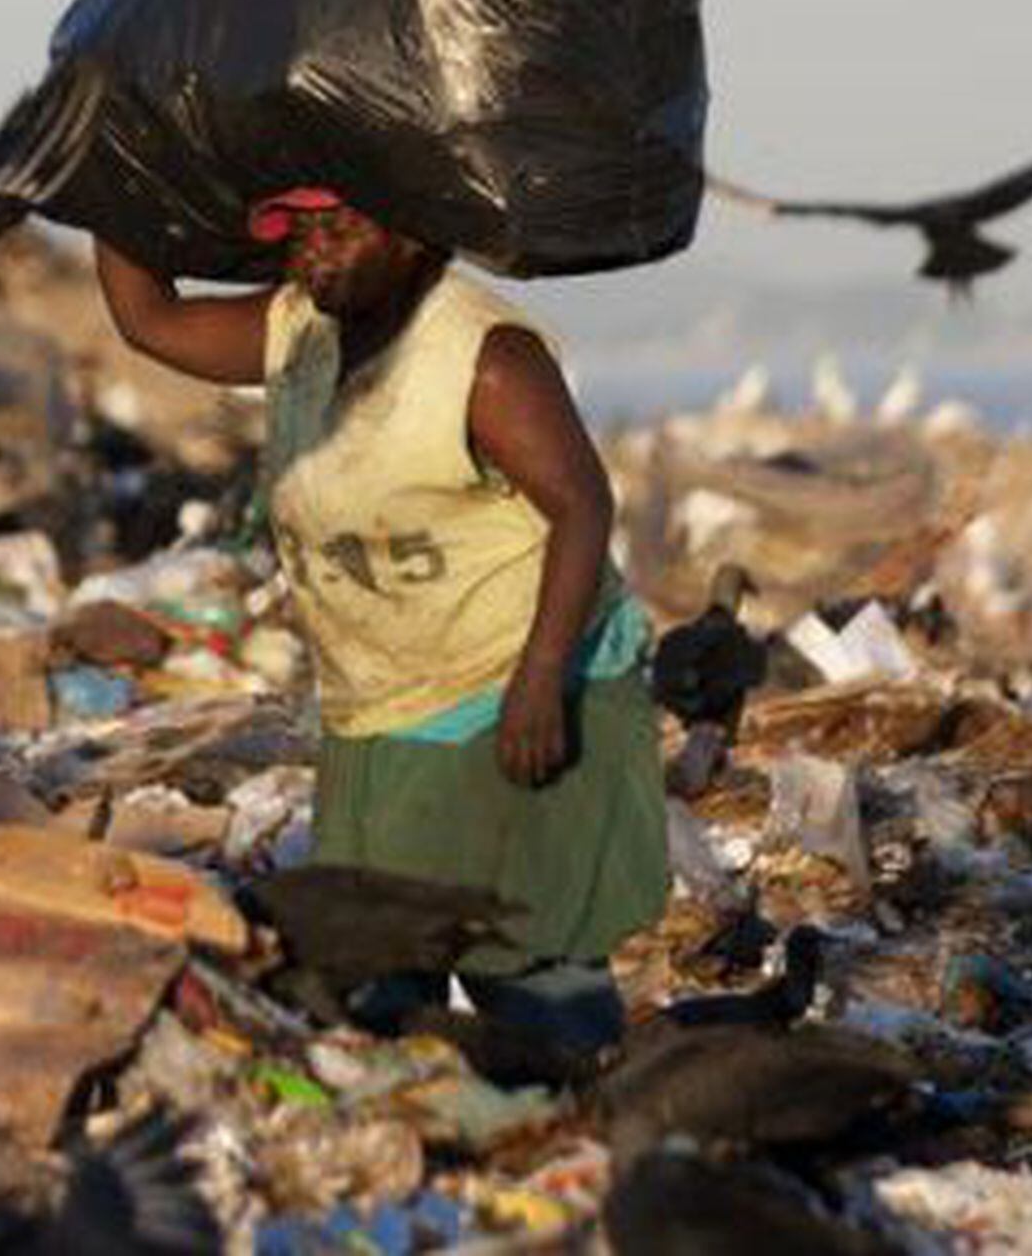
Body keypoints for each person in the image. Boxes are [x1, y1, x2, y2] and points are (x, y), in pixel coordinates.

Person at [93, 190, 667, 1055]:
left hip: (505, 692)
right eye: (300, 235)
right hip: (379, 711)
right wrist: (104, 173)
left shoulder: (485, 359)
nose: (314, 254)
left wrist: (540, 682)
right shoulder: (300, 330)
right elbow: (150, 319)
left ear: (411, 235)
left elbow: (582, 504)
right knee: (375, 957)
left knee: (525, 956)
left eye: (341, 230)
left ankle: (592, 1125)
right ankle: (449, 1124)